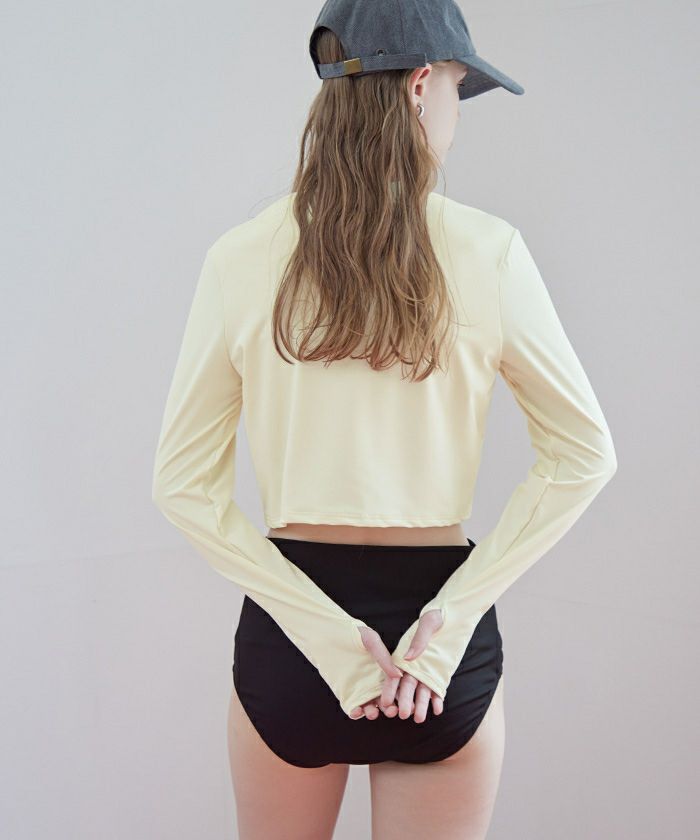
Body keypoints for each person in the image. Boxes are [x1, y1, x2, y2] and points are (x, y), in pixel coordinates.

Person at [151, 1, 617, 837]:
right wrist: (448, 624)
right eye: (459, 91)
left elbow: (180, 485)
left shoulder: (240, 257)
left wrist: (328, 641)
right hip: (434, 641)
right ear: (421, 83)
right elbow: (584, 455)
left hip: (294, 632)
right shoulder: (490, 252)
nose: (455, 118)